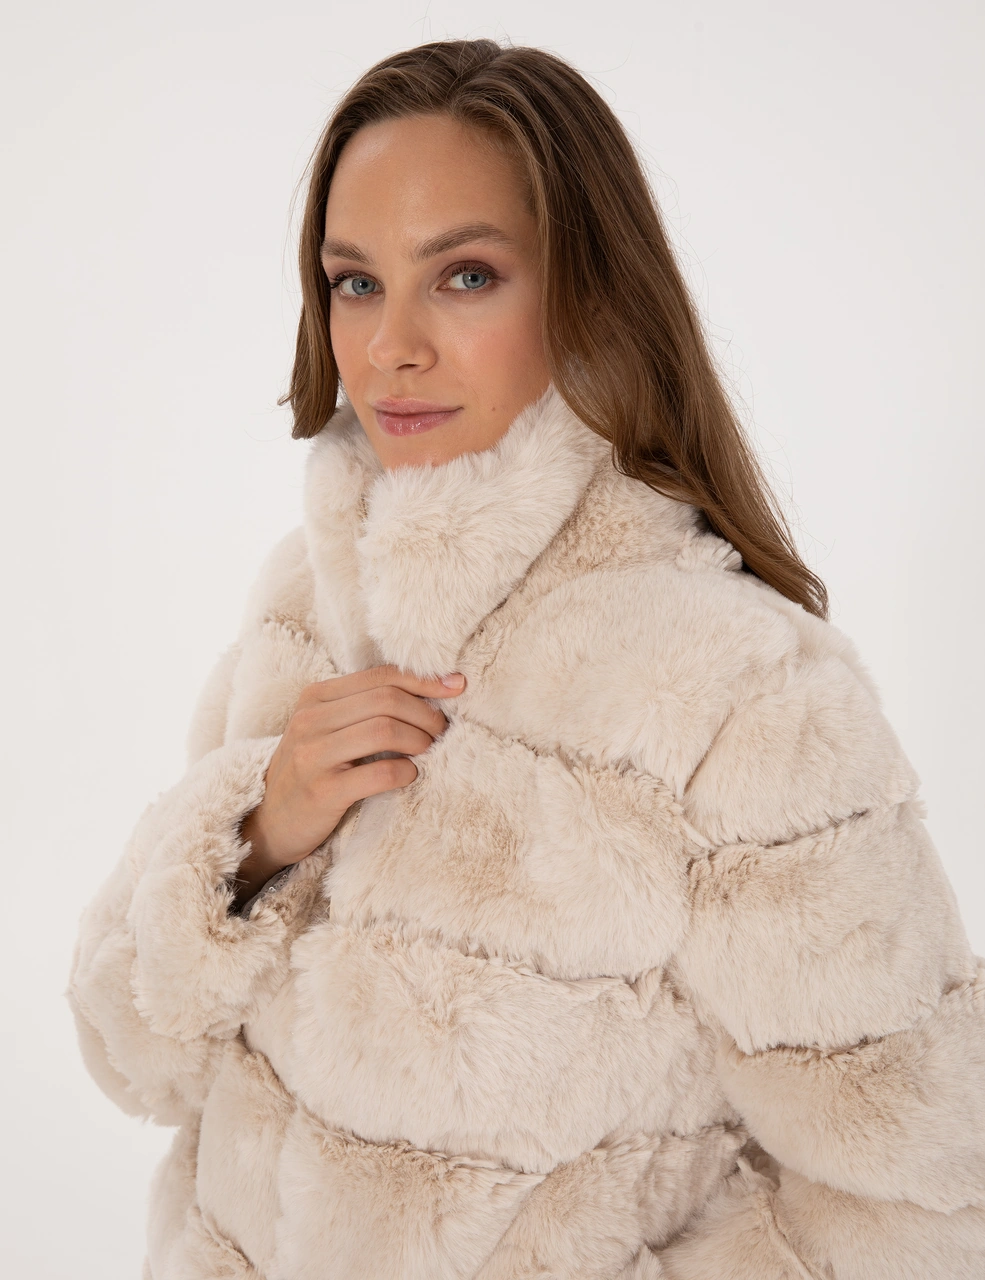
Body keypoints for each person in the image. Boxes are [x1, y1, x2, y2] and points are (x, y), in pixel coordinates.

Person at [68, 38, 984, 1280]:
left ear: (588, 292)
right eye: (354, 282)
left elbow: (923, 1197)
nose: (391, 345)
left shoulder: (735, 692)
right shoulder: (303, 601)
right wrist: (257, 834)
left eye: (465, 275)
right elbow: (129, 1058)